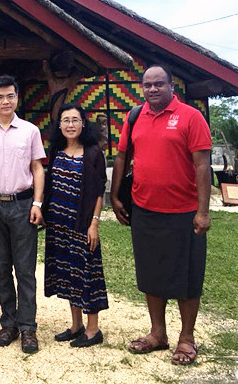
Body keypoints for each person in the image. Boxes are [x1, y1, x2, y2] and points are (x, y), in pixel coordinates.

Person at [110, 65, 212, 366]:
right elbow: (121, 156)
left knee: (188, 276)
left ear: (171, 87)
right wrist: (116, 195)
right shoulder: (135, 116)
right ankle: (158, 334)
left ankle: (186, 338)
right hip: (145, 209)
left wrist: (203, 212)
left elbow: (203, 166)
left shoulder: (191, 117)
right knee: (151, 273)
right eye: (147, 85)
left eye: (159, 84)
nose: (152, 90)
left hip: (184, 212)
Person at [0, 74, 46, 354]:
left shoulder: (30, 131)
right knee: (1, 267)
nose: (5, 101)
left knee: (25, 269)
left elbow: (38, 167)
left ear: (17, 98)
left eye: (10, 96)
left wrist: (38, 203)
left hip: (23, 204)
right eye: (0, 96)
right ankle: (8, 322)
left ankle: (28, 327)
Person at [44, 104, 108, 348]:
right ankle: (76, 325)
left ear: (83, 124)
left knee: (87, 273)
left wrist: (94, 224)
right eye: (65, 120)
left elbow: (99, 191)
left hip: (82, 225)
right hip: (58, 225)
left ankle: (93, 329)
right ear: (59, 126)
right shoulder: (56, 151)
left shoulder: (92, 154)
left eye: (75, 120)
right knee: (68, 274)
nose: (70, 124)